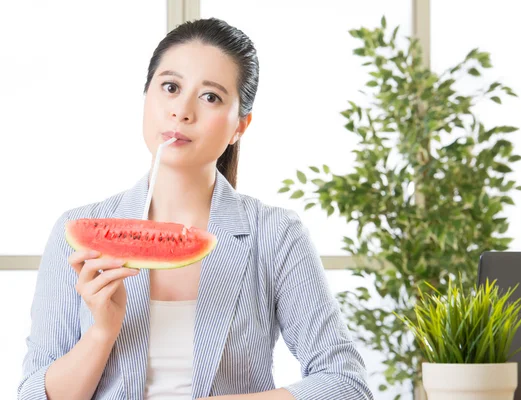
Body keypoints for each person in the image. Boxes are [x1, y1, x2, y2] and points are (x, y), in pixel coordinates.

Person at [18, 17, 373, 400]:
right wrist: (102, 331)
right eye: (170, 87)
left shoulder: (275, 234)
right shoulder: (74, 231)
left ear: (240, 126)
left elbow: (346, 385)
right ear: (147, 97)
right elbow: (34, 395)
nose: (182, 111)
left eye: (211, 97)